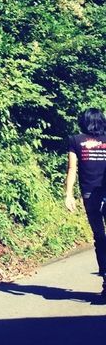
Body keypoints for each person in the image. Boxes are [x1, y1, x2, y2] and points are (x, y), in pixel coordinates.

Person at [65, 107, 106, 299]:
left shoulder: (75, 141)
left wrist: (68, 194)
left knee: (100, 236)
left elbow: (72, 168)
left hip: (90, 194)